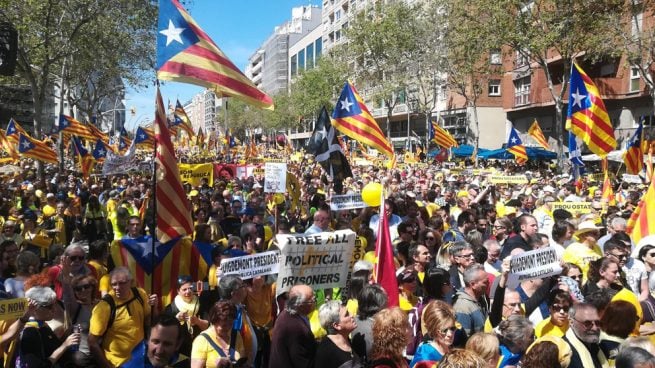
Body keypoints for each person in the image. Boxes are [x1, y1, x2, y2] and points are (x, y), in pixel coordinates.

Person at [88, 267, 154, 368]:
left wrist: (149, 342)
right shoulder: (104, 307)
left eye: (122, 283)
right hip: (117, 363)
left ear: (131, 282)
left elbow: (148, 319)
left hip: (141, 358)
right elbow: (92, 342)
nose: (117, 288)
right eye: (114, 284)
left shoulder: (140, 294)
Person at [18, 286, 80, 368]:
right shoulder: (30, 331)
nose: (55, 309)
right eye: (50, 307)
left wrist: (68, 336)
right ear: (35, 309)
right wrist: (64, 346)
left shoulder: (42, 325)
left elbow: (52, 348)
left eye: (55, 304)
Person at [269, 284, 317, 368]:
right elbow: (302, 362)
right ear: (301, 305)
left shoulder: (287, 314)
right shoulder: (295, 328)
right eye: (312, 300)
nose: (315, 302)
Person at [190, 301, 246, 368]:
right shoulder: (201, 341)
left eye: (230, 324)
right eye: (224, 325)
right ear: (214, 322)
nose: (228, 328)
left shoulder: (236, 335)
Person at [163, 275, 208, 357]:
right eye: (184, 289)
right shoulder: (171, 308)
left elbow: (208, 327)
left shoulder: (202, 304)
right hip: (179, 353)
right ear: (178, 291)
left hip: (200, 349)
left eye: (190, 288)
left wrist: (198, 321)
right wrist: (176, 320)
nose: (188, 291)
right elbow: (164, 332)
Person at [217, 275, 257, 366]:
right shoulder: (227, 314)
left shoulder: (238, 307)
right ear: (233, 293)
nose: (245, 287)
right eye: (242, 286)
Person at [62, 274, 100, 366]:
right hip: (83, 356)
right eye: (78, 289)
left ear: (92, 287)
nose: (83, 290)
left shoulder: (101, 304)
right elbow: (68, 296)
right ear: (74, 292)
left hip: (102, 354)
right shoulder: (76, 307)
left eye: (86, 287)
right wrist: (66, 278)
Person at [410, 300, 457, 367]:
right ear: (433, 330)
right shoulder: (425, 357)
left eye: (452, 328)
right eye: (444, 330)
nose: (450, 334)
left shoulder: (452, 351)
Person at [315, 300, 359, 368]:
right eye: (347, 314)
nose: (352, 315)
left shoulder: (346, 339)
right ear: (336, 325)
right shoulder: (326, 351)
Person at [563, 302, 608, 368]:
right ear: (571, 322)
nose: (595, 328)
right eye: (587, 323)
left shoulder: (603, 346)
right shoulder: (562, 352)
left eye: (598, 323)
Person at [352, 284, 388, 363]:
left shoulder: (355, 321)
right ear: (378, 305)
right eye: (385, 299)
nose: (388, 301)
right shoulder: (376, 331)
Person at [453, 264, 489, 337]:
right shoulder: (462, 308)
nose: (488, 284)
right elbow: (463, 341)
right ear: (473, 284)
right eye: (485, 282)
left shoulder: (481, 299)